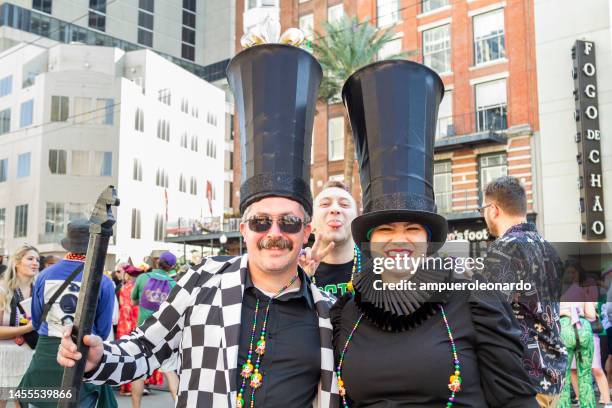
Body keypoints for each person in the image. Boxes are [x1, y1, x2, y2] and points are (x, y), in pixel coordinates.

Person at [57, 38, 339, 407]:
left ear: (306, 230)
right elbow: (145, 349)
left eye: (288, 222)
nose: (274, 234)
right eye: (260, 222)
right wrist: (98, 359)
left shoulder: (327, 312)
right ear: (243, 229)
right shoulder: (203, 280)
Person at [330, 59, 537, 407]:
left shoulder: (474, 301)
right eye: (385, 229)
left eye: (412, 227)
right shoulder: (346, 312)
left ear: (428, 238)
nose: (399, 239)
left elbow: (515, 400)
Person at [479, 176, 567, 407]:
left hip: (523, 382)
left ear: (494, 209)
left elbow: (486, 315)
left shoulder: (504, 249)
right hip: (553, 377)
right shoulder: (550, 249)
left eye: (483, 209)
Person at [19, 219, 117, 408]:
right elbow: (103, 331)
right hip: (82, 356)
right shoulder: (103, 281)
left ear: (69, 244)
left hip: (46, 354)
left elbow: (38, 320)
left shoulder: (44, 275)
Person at [129, 252, 178, 407]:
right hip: (164, 334)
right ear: (172, 267)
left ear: (157, 262)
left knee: (139, 373)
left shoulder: (143, 278)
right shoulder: (173, 284)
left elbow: (133, 300)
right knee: (170, 372)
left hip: (143, 332)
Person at [300, 180, 358, 296]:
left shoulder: (378, 266)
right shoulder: (295, 269)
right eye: (325, 204)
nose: (335, 209)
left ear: (357, 219)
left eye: (344, 205)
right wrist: (300, 279)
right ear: (311, 223)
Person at [0, 245, 39, 408]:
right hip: (3, 357)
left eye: (37, 260)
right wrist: (28, 328)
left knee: (23, 403)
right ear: (16, 262)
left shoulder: (39, 290)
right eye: (30, 258)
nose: (35, 263)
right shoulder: (2, 290)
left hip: (30, 355)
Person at [559, 271, 598, 408]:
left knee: (563, 376)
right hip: (583, 328)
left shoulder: (554, 288)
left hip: (564, 328)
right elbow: (592, 315)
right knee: (586, 375)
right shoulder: (581, 290)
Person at [115, 265, 144, 396]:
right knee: (141, 353)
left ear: (127, 275)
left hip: (125, 323)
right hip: (139, 322)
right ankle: (142, 385)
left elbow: (124, 306)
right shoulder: (141, 287)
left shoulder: (124, 288)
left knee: (125, 353)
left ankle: (126, 387)